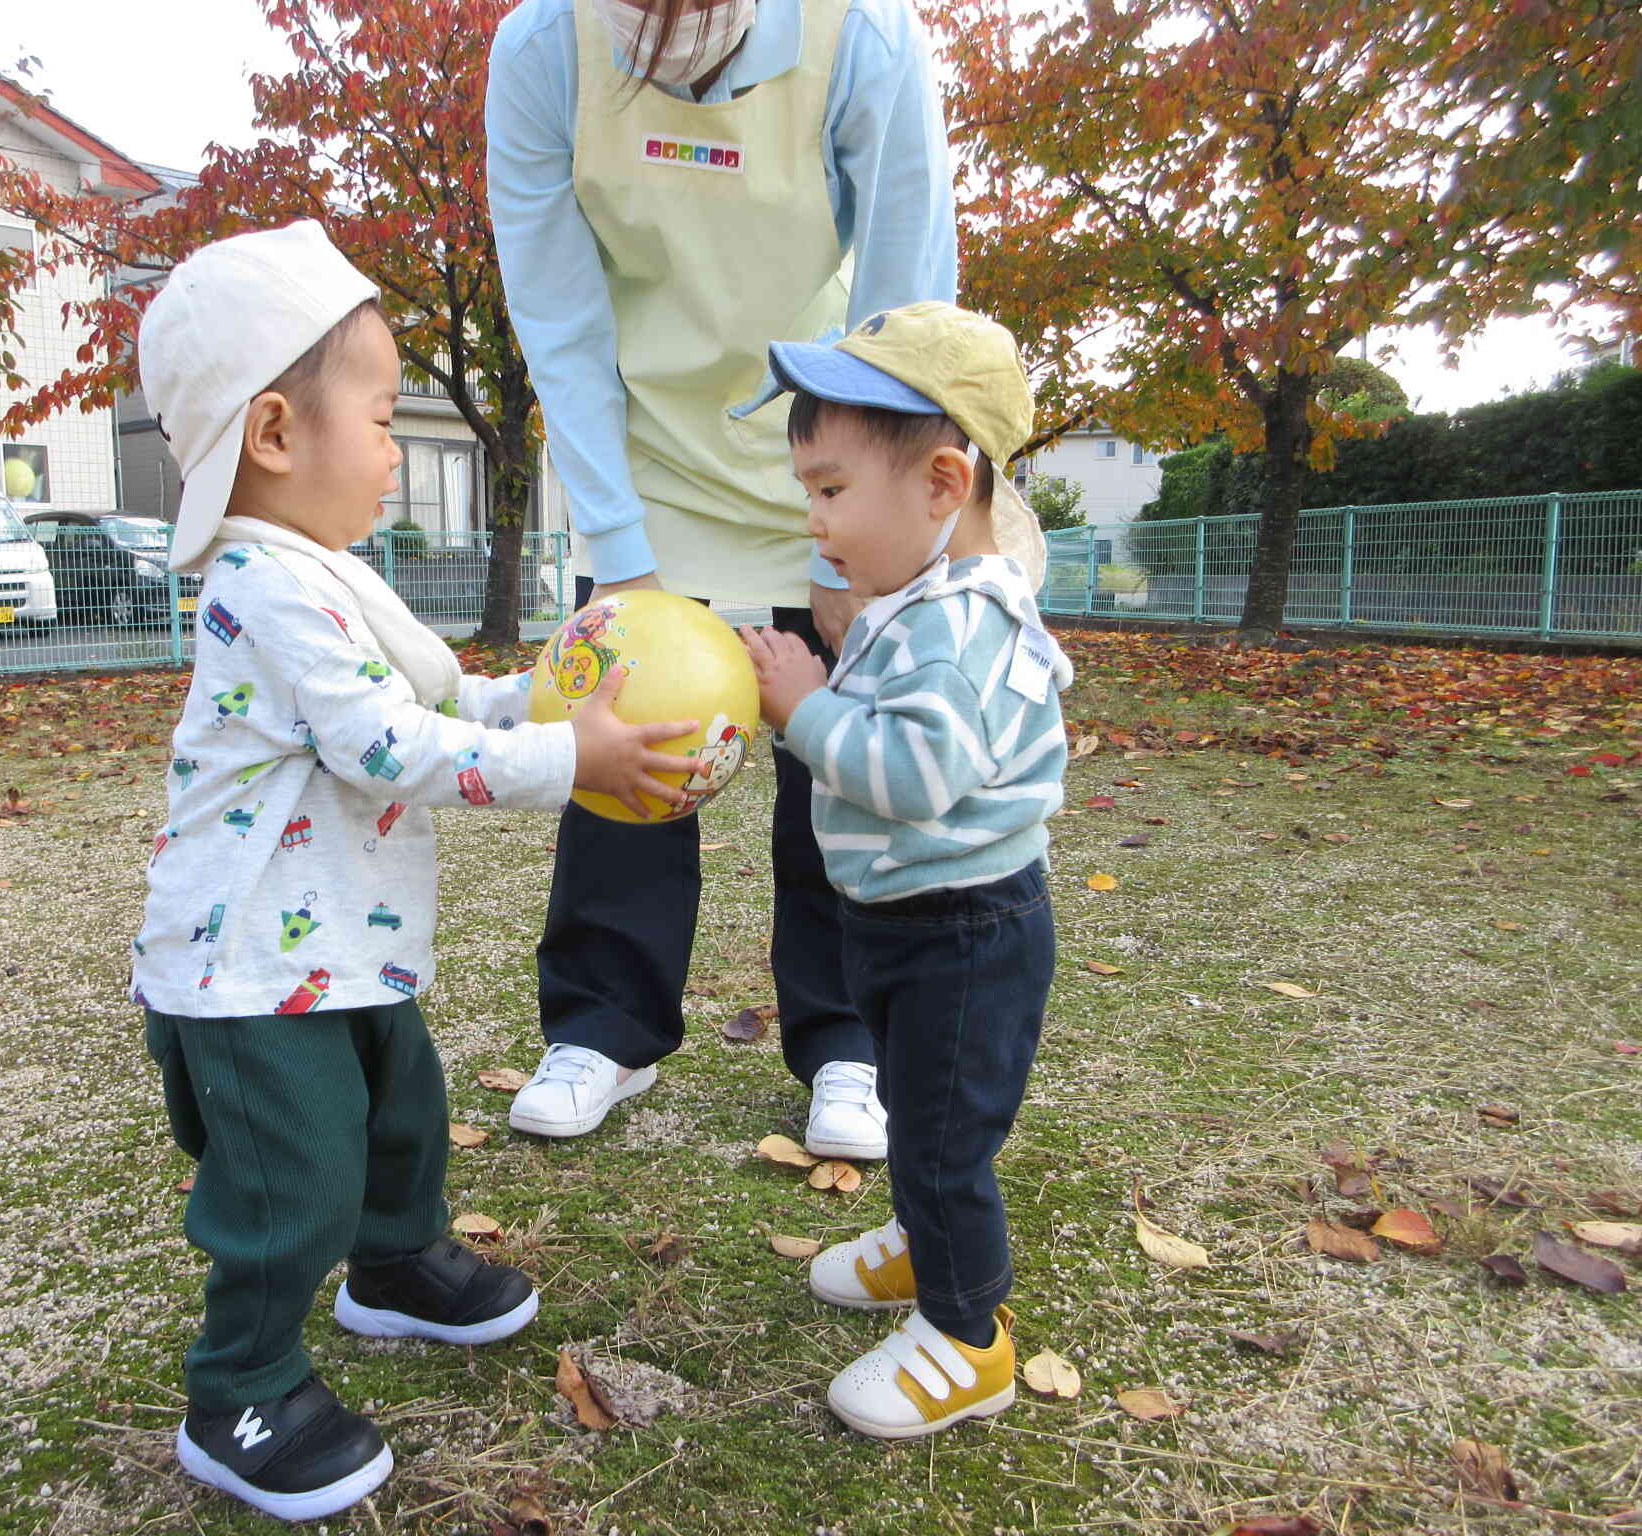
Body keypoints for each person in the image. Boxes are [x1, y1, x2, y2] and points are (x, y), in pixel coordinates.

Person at [131, 223, 698, 1521]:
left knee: (401, 1114)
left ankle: (391, 1267)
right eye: (385, 419)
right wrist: (572, 756)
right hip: (247, 972)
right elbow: (388, 745)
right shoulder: (265, 588)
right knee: (292, 1179)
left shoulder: (324, 576)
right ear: (276, 433)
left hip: (336, 946)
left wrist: (546, 699)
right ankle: (239, 1389)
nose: (397, 450)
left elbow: (432, 700)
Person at [487, 0, 960, 1156]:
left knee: (839, 767)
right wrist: (622, 556)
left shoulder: (866, 40)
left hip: (825, 442)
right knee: (621, 748)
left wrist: (853, 535)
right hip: (640, 453)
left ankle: (850, 1042)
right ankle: (604, 1026)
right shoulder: (541, 50)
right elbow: (558, 319)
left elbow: (904, 310)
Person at [737, 301, 1068, 1440]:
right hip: (907, 920)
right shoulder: (920, 602)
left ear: (940, 484)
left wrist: (804, 707)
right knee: (912, 1106)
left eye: (831, 489)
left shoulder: (964, 622)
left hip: (965, 933)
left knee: (939, 1139)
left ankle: (967, 1339)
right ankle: (927, 1247)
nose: (815, 520)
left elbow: (917, 774)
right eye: (809, 491)